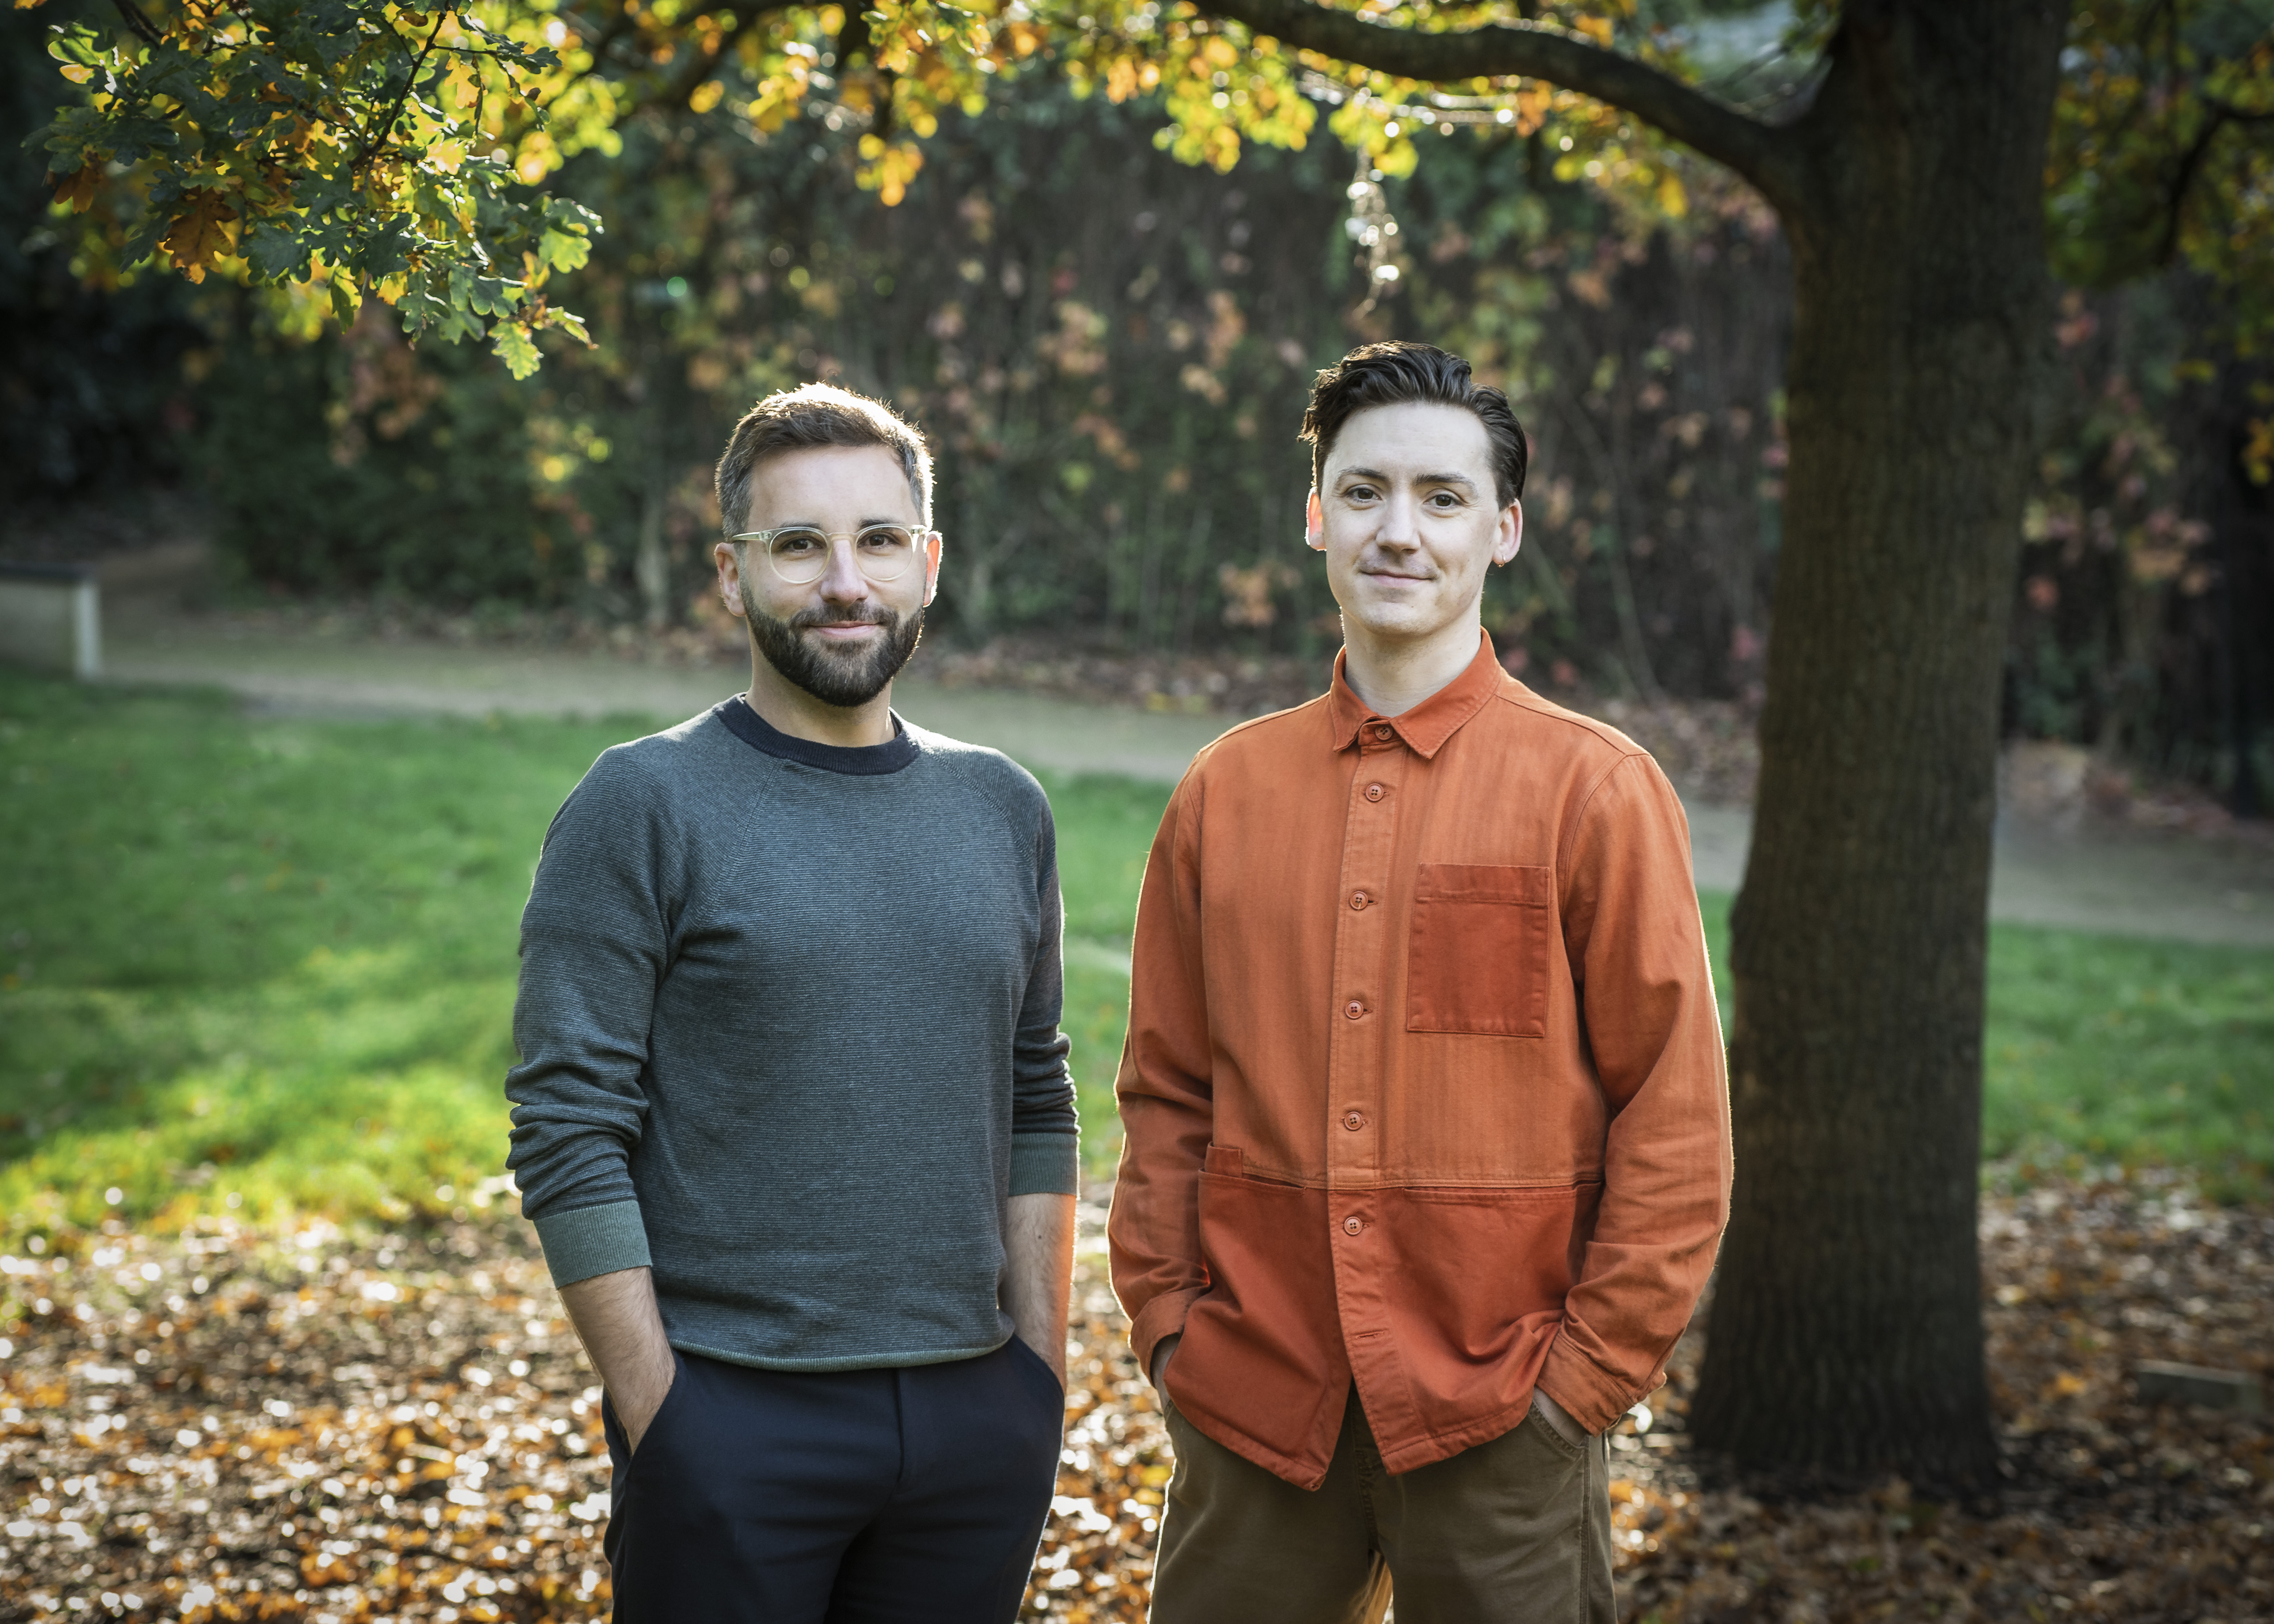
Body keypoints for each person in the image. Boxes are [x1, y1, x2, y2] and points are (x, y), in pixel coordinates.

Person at [1109, 341, 1732, 1624]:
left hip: (1504, 1420)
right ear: (1313, 515)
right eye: (1363, 492)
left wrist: (1581, 1389)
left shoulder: (1594, 792)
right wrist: (1171, 1327)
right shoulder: (1225, 791)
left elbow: (1673, 1123)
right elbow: (1166, 1091)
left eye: (1441, 499)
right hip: (1254, 1407)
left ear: (1501, 530)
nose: (1398, 532)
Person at [505, 383, 1079, 1622]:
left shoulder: (1003, 809)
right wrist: (660, 1409)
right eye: (797, 545)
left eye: (877, 540)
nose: (843, 584)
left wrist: (1040, 1373)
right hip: (727, 1415)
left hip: (978, 1418)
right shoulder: (639, 804)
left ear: (926, 565)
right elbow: (565, 1121)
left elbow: (1037, 1087)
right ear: (731, 574)